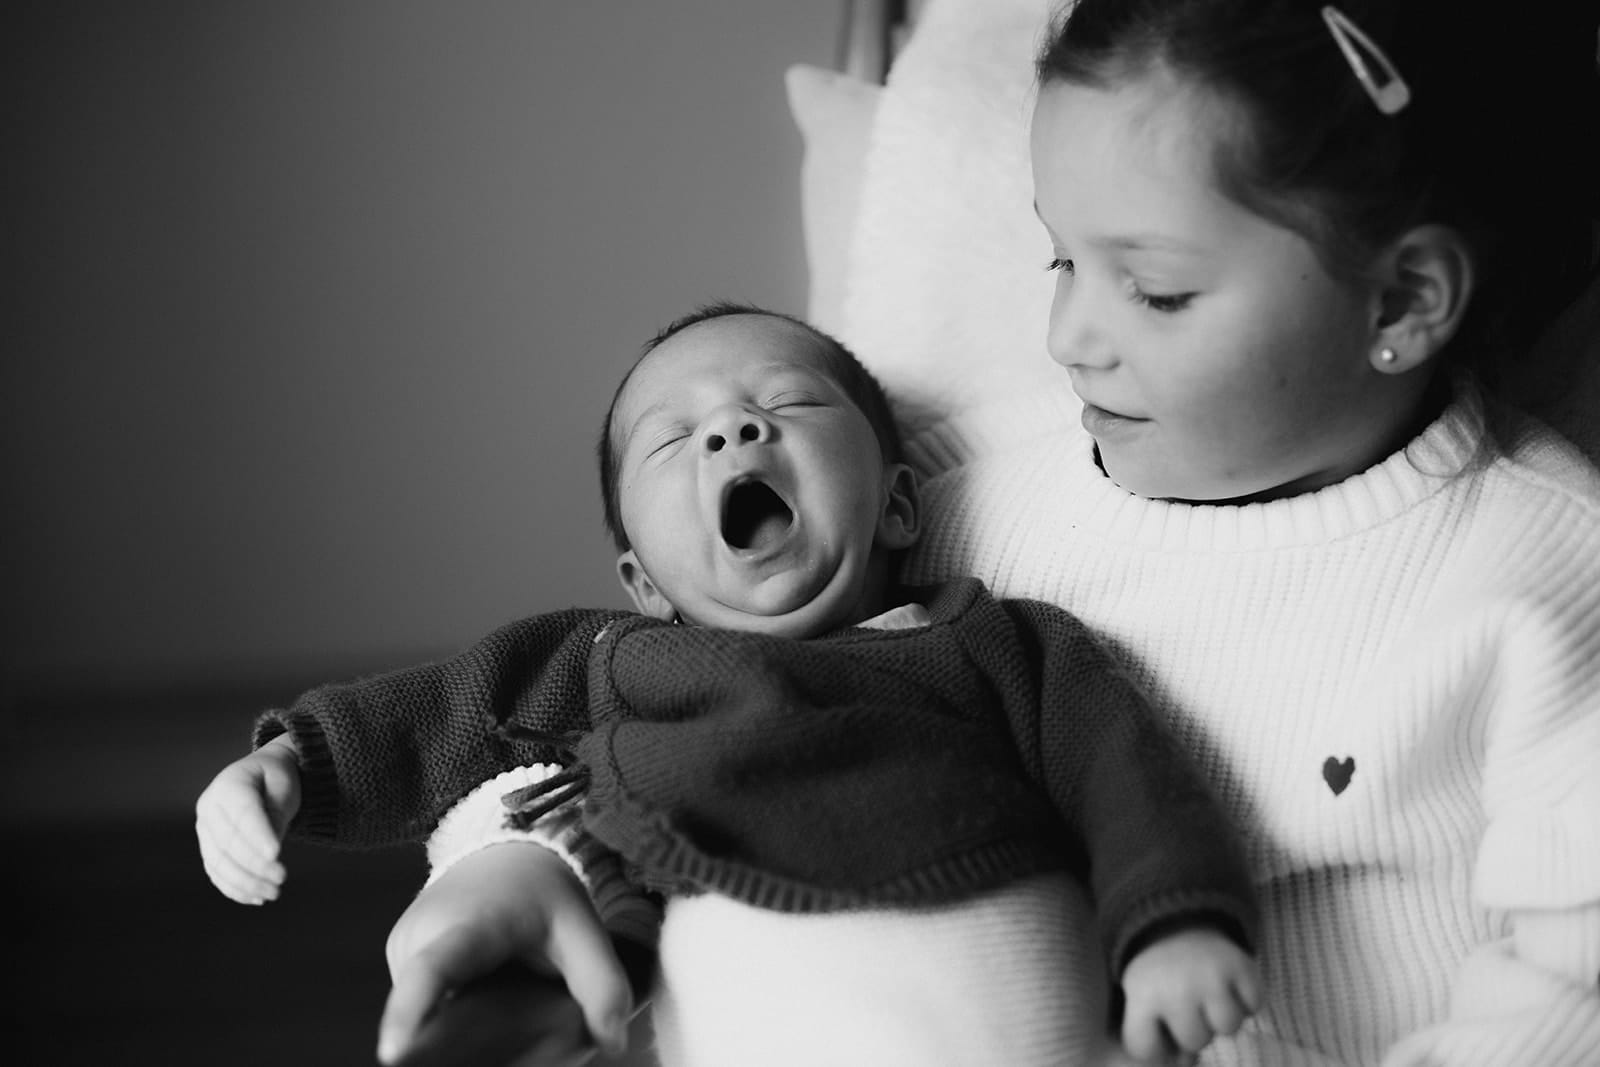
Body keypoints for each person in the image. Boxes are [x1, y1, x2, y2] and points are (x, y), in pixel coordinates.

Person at [382, 2, 1600, 1065]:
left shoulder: (1544, 573)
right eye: (1060, 256)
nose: (1071, 334)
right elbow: (708, 702)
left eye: (1154, 289)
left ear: (1400, 300)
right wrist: (521, 861)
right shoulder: (976, 491)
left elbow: (1573, 986)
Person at [195, 303, 1263, 1066]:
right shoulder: (616, 657)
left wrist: (1171, 921)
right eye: (673, 437)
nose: (733, 427)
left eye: (787, 402)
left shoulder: (1000, 644)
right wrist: (290, 764)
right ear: (642, 581)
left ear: (898, 507)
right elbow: (449, 711)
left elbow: (1123, 769)